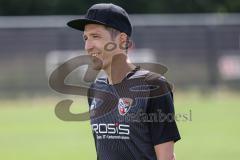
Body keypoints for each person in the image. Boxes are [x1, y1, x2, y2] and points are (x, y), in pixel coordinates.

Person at [67, 3, 180, 160]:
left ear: (121, 40)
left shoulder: (153, 86)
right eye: (85, 38)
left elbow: (166, 158)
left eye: (95, 37)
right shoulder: (95, 90)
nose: (88, 46)